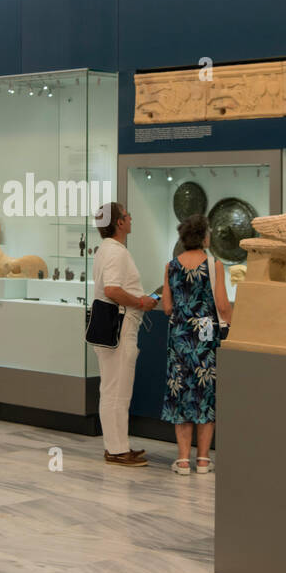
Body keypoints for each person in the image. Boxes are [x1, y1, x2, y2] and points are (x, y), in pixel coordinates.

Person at [160, 214, 232, 475]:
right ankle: (202, 460)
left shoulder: (171, 266)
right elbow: (222, 305)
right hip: (205, 334)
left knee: (180, 394)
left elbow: (167, 307)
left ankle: (181, 460)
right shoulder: (215, 265)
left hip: (180, 336)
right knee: (204, 394)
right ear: (204, 237)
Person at [92, 202, 157, 467]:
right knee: (118, 390)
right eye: (128, 216)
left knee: (111, 388)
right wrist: (140, 301)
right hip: (121, 327)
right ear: (119, 222)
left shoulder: (105, 250)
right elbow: (112, 289)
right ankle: (117, 450)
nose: (131, 219)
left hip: (111, 328)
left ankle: (117, 446)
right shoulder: (116, 253)